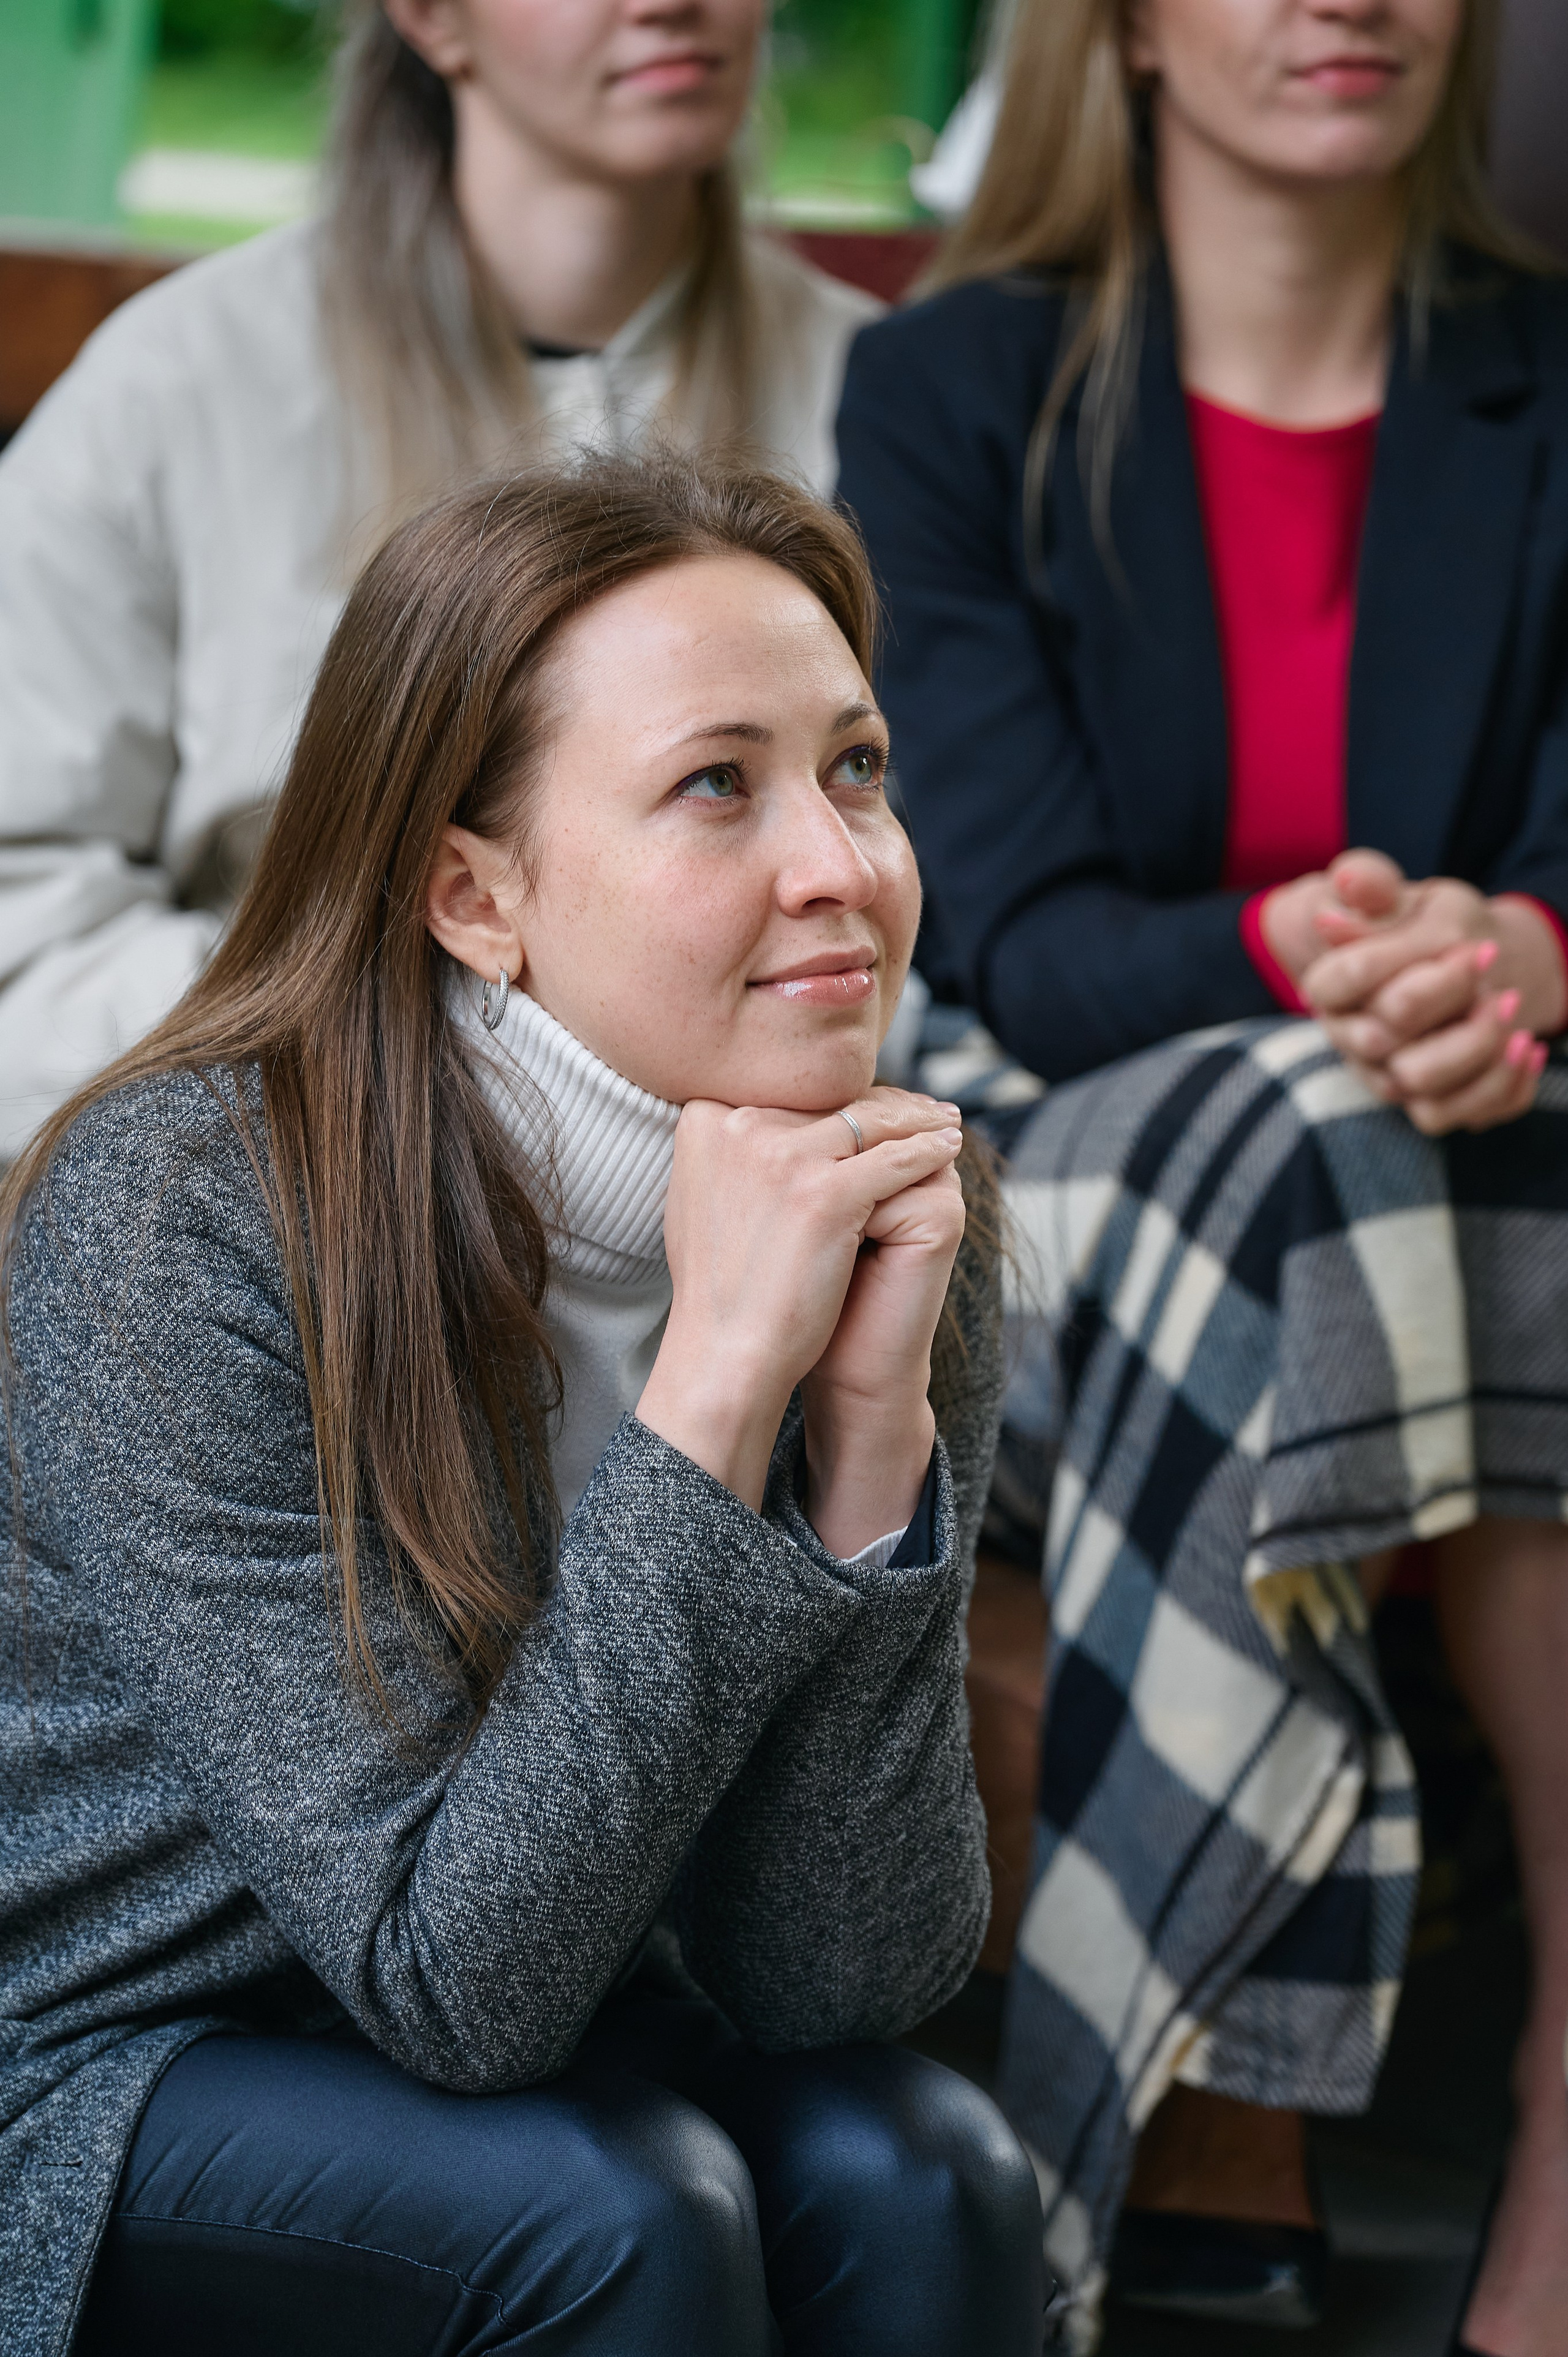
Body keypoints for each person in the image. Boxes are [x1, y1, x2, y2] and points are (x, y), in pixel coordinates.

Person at [0, 453, 1047, 2357]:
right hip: (107, 2050)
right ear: (475, 896)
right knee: (611, 2214)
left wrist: (870, 1442)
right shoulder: (184, 1215)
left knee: (929, 2167)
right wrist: (718, 1391)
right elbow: (449, 1982)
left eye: (858, 766)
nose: (841, 867)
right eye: (717, 785)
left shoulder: (876, 1209)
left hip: (572, 2005)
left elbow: (844, 1977)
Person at [835, 0, 1568, 2349]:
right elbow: (1026, 937)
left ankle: (1245, 2108)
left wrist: (1524, 938)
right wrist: (1322, 951)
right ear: (1132, 25)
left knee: (1429, 1141)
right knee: (1337, 1126)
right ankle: (1269, 2093)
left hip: (1509, 1104)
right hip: (1084, 1132)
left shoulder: (1555, 378)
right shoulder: (955, 388)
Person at [0, 0, 878, 1164]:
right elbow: (24, 916)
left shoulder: (884, 395)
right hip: (290, 1159)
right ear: (427, 16)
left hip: (784, 1156)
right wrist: (395, 1037)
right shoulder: (175, 388)